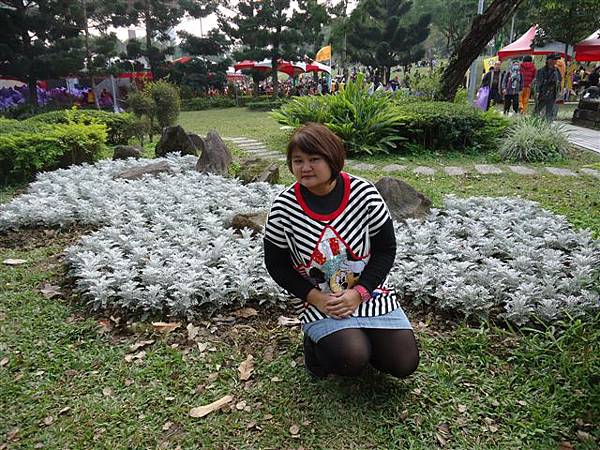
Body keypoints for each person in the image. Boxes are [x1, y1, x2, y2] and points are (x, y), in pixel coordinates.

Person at [263, 123, 419, 380]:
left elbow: (385, 250)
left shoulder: (364, 194)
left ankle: (360, 339)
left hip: (370, 292)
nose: (305, 167)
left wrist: (359, 293)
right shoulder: (284, 207)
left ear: (333, 158)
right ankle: (317, 349)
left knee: (404, 363)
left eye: (314, 159)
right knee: (351, 357)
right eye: (298, 161)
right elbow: (276, 264)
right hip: (321, 298)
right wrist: (316, 298)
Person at [534, 53, 562, 122]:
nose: (556, 61)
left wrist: (559, 91)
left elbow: (559, 80)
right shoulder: (541, 71)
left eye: (556, 60)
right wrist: (537, 92)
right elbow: (538, 83)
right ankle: (532, 122)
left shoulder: (556, 70)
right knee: (537, 110)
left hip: (553, 93)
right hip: (543, 93)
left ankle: (548, 124)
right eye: (554, 59)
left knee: (550, 111)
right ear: (549, 60)